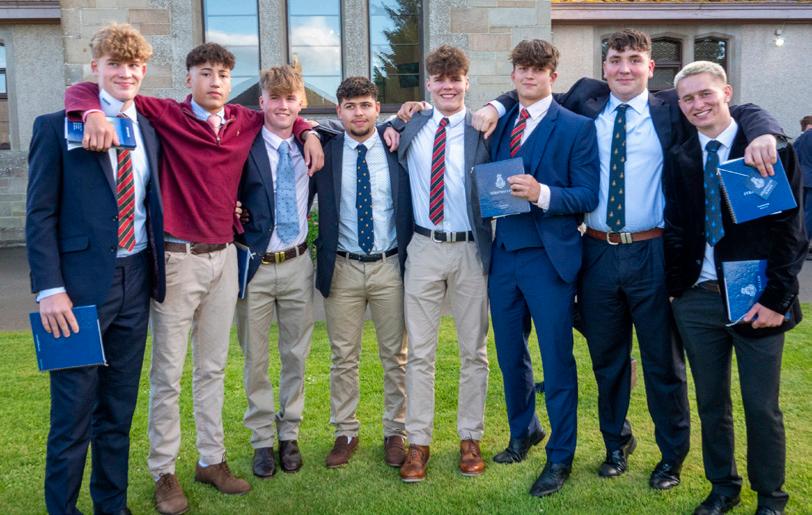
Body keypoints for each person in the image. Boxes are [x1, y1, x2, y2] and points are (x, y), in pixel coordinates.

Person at [471, 29, 783, 491]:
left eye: (635, 60)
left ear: (650, 67)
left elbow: (736, 108)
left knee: (662, 363)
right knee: (607, 359)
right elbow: (529, 89)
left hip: (653, 251)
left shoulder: (673, 108)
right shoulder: (586, 102)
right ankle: (616, 444)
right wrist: (494, 106)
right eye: (616, 60)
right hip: (596, 251)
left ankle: (671, 456)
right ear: (604, 67)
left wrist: (765, 133)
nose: (624, 68)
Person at [64, 43, 324, 515]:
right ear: (189, 79)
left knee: (213, 368)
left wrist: (307, 132)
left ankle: (211, 460)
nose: (215, 82)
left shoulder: (244, 121)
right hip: (177, 258)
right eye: (205, 73)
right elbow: (89, 89)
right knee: (167, 373)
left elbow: (287, 116)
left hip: (225, 259)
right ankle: (163, 470)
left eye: (222, 74)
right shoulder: (166, 115)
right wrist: (90, 112)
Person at [26, 23, 165, 515]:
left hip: (136, 281)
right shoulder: (55, 127)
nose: (126, 73)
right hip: (77, 292)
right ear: (95, 68)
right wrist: (49, 289)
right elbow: (40, 215)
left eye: (134, 66)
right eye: (115, 65)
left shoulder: (149, 130)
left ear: (144, 71)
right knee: (72, 413)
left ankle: (112, 505)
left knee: (118, 412)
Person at [665, 61, 807, 515]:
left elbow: (791, 233)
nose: (697, 104)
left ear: (727, 93)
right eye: (688, 98)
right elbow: (676, 227)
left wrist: (776, 300)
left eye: (705, 94)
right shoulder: (681, 156)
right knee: (711, 403)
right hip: (696, 300)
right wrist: (676, 289)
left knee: (761, 406)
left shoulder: (764, 150)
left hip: (756, 300)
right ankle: (723, 487)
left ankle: (771, 497)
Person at [485, 39, 599, 497]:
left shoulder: (576, 127)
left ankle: (560, 456)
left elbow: (588, 194)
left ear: (553, 75)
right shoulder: (498, 122)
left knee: (556, 358)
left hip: (549, 260)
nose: (529, 75)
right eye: (522, 68)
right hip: (503, 257)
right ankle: (524, 432)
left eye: (538, 69)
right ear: (513, 74)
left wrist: (542, 193)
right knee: (510, 355)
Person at [385, 45, 492, 482]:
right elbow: (368, 129)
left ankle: (470, 438)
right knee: (420, 352)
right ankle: (418, 442)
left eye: (455, 79)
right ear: (428, 83)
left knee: (474, 351)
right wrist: (396, 118)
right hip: (424, 247)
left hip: (470, 249)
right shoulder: (411, 126)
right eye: (440, 79)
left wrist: (498, 107)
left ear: (466, 82)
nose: (448, 86)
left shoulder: (483, 127)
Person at [313, 76, 413, 469]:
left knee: (396, 355)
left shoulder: (396, 146)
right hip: (343, 267)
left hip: (390, 265)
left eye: (366, 105)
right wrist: (310, 132)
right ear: (339, 111)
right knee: (343, 356)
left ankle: (395, 431)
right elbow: (303, 126)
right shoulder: (326, 148)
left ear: (377, 108)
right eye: (351, 106)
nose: (359, 113)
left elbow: (427, 113)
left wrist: (409, 114)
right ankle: (346, 432)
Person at [235, 65, 316, 478]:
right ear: (262, 101)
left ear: (301, 102)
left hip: (298, 263)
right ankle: (262, 439)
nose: (283, 106)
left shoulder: (314, 143)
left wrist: (309, 132)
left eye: (291, 98)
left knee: (296, 354)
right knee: (255, 357)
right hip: (256, 267)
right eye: (276, 98)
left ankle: (290, 432)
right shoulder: (243, 144)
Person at [793, 115, 812, 259]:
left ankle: (798, 246)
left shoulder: (800, 138)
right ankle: (802, 248)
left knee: (803, 213)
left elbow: (796, 157)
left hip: (802, 179)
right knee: (809, 216)